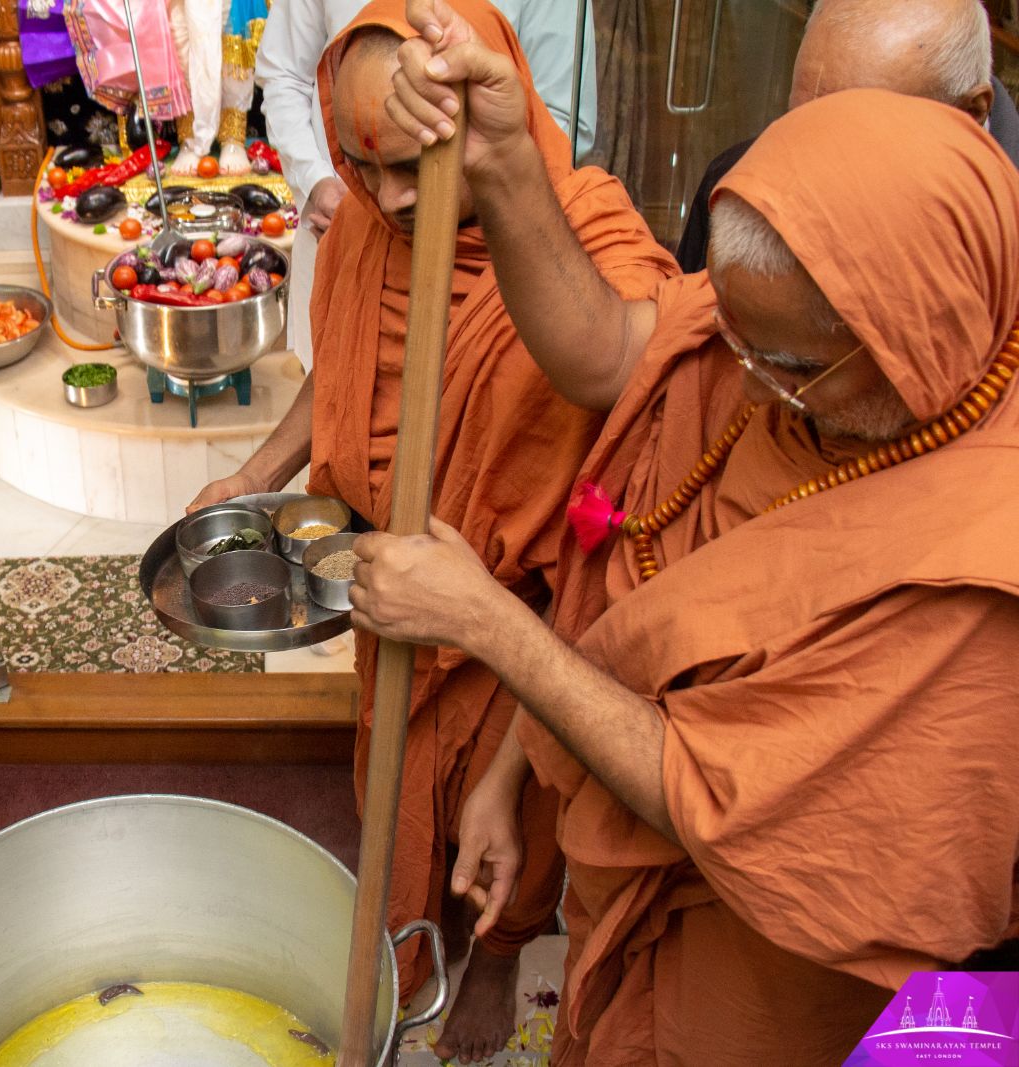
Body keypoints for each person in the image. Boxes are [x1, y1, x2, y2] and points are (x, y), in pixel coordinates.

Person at [360, 5, 1019, 1058]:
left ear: (912, 322)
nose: (748, 383)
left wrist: (487, 622)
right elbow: (626, 352)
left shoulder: (981, 564)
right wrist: (499, 159)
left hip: (793, 987)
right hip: (634, 902)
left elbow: (714, 800)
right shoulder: (796, 290)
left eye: (789, 368)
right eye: (743, 345)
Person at [192, 1, 674, 1059]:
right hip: (389, 598)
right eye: (366, 165)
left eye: (419, 165)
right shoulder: (370, 217)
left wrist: (492, 630)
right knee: (397, 796)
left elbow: (622, 413)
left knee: (522, 843)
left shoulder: (582, 233)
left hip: (528, 631)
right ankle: (414, 945)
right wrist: (255, 469)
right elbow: (342, 366)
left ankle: (496, 964)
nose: (391, 197)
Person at [256, 0, 597, 368]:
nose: (389, 199)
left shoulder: (593, 249)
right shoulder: (352, 233)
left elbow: (562, 115)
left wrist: (487, 186)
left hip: (494, 261)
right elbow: (284, 75)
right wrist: (317, 181)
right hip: (344, 232)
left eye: (411, 168)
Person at [674, 0, 1019, 273]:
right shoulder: (733, 184)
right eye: (799, 122)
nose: (808, 169)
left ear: (970, 113)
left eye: (853, 142)